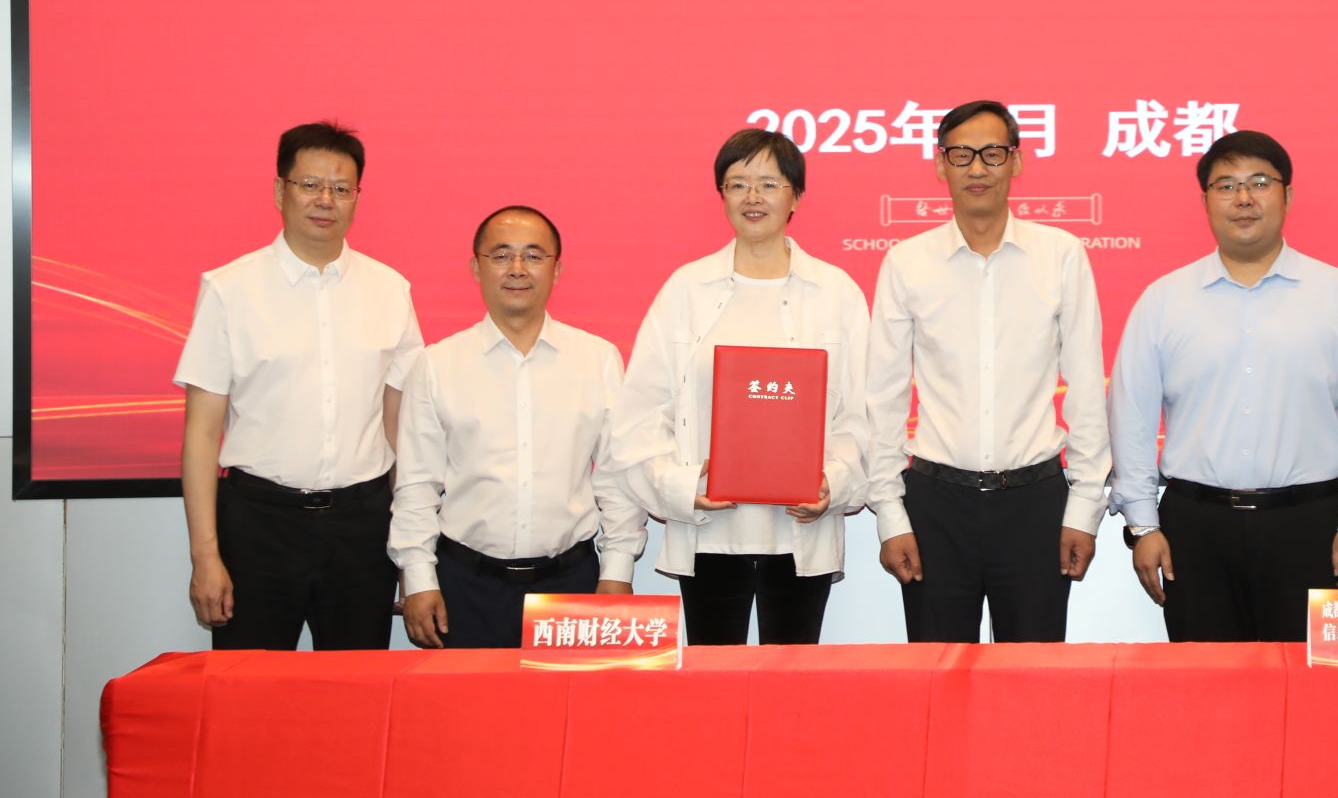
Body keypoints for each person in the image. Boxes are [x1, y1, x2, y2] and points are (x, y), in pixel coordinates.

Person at [1110, 130, 1338, 642]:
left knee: (1307, 684)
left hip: (1311, 525)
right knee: (1207, 682)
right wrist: (1143, 524)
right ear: (1205, 201)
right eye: (1226, 186)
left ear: (1288, 195)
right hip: (1194, 529)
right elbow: (1131, 418)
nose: (1243, 198)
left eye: (1260, 183)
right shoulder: (1164, 300)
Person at [605, 129, 870, 646]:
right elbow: (639, 416)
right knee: (711, 684)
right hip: (709, 534)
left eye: (769, 184)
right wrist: (681, 487)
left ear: (796, 196)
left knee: (791, 684)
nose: (753, 197)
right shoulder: (685, 289)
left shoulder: (836, 293)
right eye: (738, 184)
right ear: (722, 195)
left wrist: (833, 484)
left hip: (800, 533)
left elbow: (860, 416)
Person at [867, 99, 1110, 643]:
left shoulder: (1061, 255)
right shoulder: (907, 262)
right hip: (934, 506)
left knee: (1034, 679)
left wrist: (1084, 507)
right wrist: (889, 514)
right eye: (961, 154)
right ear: (940, 164)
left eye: (993, 153)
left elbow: (1086, 390)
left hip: (1035, 505)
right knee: (937, 678)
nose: (977, 168)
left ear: (1016, 161)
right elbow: (882, 398)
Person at [173, 121, 423, 649]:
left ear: (357, 197)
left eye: (341, 188)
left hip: (362, 527)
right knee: (249, 688)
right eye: (310, 184)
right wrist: (205, 556)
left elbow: (400, 428)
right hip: (258, 524)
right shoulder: (230, 289)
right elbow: (201, 434)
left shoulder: (390, 290)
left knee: (356, 688)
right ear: (279, 190)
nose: (325, 200)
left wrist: (411, 552)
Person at [388, 206, 646, 649]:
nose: (518, 269)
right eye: (502, 255)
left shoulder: (597, 360)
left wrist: (618, 571)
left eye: (534, 255)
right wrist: (418, 578)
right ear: (476, 267)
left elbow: (617, 476)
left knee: (567, 699)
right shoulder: (437, 365)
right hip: (464, 586)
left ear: (556, 269)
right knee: (465, 698)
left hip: (570, 582)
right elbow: (416, 484)